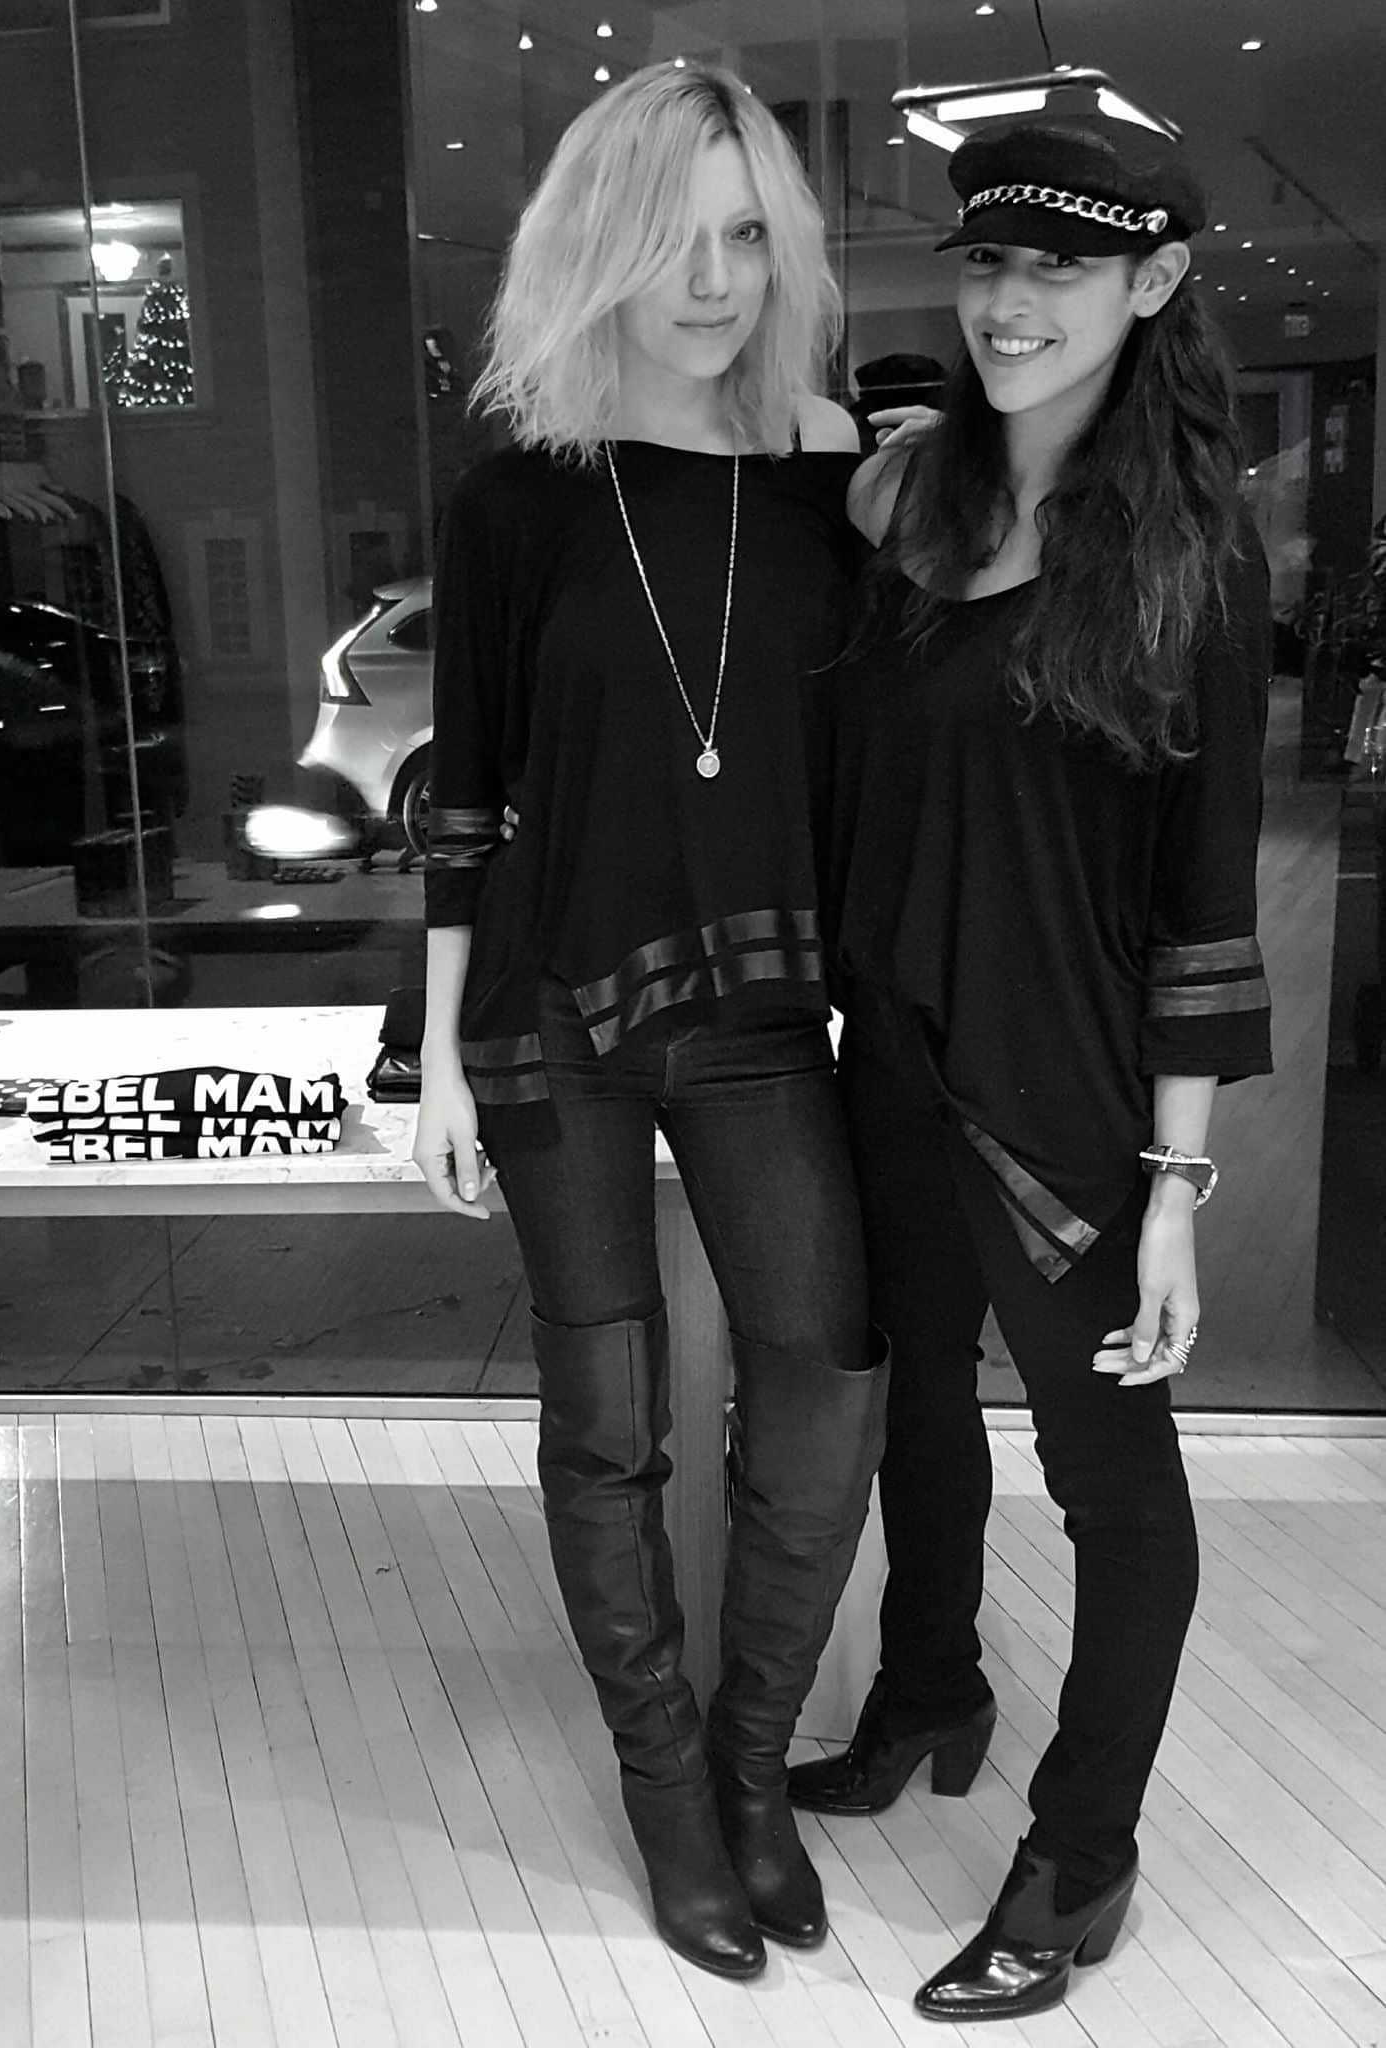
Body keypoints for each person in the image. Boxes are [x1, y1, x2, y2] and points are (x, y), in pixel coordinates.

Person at [787, 110, 1273, 2022]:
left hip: (1064, 1090)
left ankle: (1082, 1853)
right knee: (913, 1397)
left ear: (1152, 282)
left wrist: (1174, 1189)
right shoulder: (903, 504)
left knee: (1110, 1478)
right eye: (985, 260)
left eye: (1055, 268)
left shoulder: (1187, 558)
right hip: (888, 1055)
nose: (1005, 302)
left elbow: (1204, 898)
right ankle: (928, 1685)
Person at [412, 61, 888, 1981]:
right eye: (671, 238)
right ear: (591, 247)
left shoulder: (830, 471)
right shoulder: (517, 497)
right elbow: (464, 799)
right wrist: (435, 1062)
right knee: (605, 1421)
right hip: (552, 1014)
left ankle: (752, 1762)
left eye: (746, 235)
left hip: (769, 1015)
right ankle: (665, 1785)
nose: (710, 280)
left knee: (822, 1379)